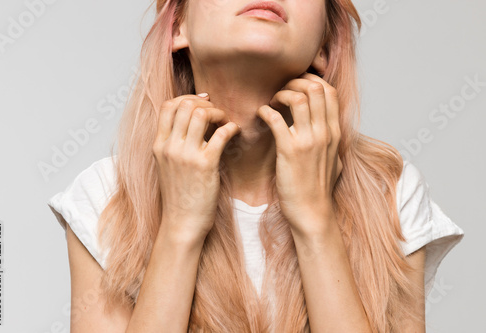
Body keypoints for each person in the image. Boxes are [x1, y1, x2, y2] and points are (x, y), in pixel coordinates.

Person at [47, 0, 465, 332]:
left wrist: (315, 217)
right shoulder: (104, 197)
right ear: (178, 28)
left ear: (323, 46)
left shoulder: (391, 193)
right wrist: (180, 226)